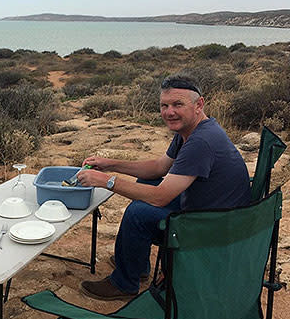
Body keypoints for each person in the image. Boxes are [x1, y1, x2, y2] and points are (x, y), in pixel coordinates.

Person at [76, 73, 251, 300]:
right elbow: (159, 168)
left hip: (212, 227)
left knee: (138, 213)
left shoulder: (201, 142)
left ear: (199, 104)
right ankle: (136, 266)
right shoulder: (191, 131)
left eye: (178, 104)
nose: (169, 112)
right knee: (145, 184)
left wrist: (107, 182)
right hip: (211, 209)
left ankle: (124, 284)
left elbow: (159, 198)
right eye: (164, 105)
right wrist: (111, 164)